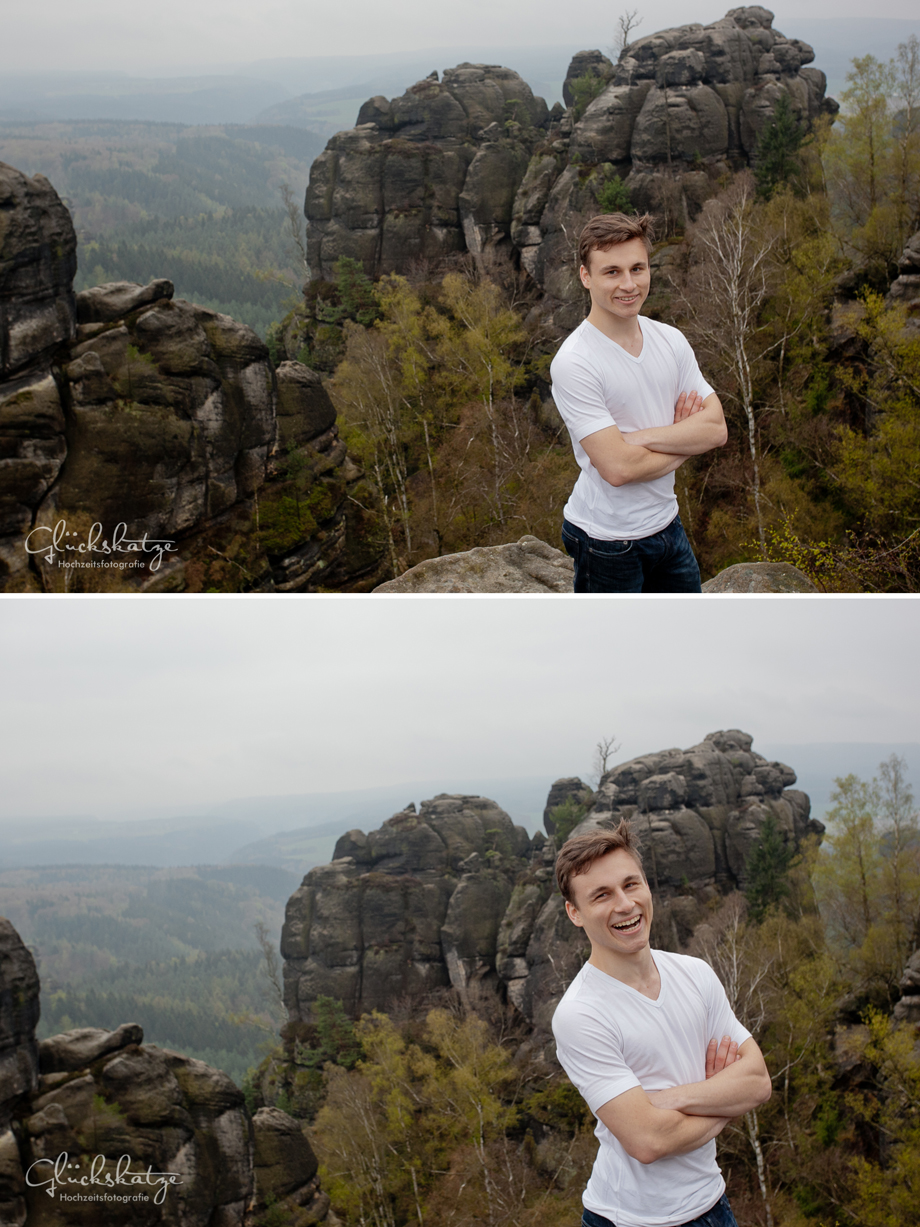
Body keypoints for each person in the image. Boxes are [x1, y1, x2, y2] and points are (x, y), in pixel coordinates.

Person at [552, 824, 772, 1227]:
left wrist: (665, 1099)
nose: (625, 904)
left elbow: (757, 1081)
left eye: (631, 884)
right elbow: (649, 1141)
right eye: (601, 895)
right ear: (574, 913)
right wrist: (725, 1102)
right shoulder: (581, 1013)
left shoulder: (696, 974)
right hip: (628, 1219)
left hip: (713, 1205)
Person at [550, 213, 727, 592]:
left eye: (637, 268)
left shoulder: (671, 340)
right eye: (611, 272)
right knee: (615, 650)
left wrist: (637, 439)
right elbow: (618, 469)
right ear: (586, 277)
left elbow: (715, 429)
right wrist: (683, 441)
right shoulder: (575, 362)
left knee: (685, 640)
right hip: (606, 541)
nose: (629, 284)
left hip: (668, 525)